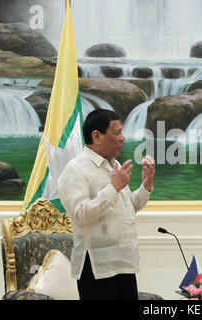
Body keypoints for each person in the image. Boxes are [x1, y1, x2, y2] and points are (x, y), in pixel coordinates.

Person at [58, 109, 155, 300]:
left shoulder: (114, 165)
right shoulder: (76, 169)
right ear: (97, 136)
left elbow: (127, 209)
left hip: (124, 263)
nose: (123, 138)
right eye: (117, 133)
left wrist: (146, 184)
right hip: (97, 269)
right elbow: (81, 216)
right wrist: (113, 188)